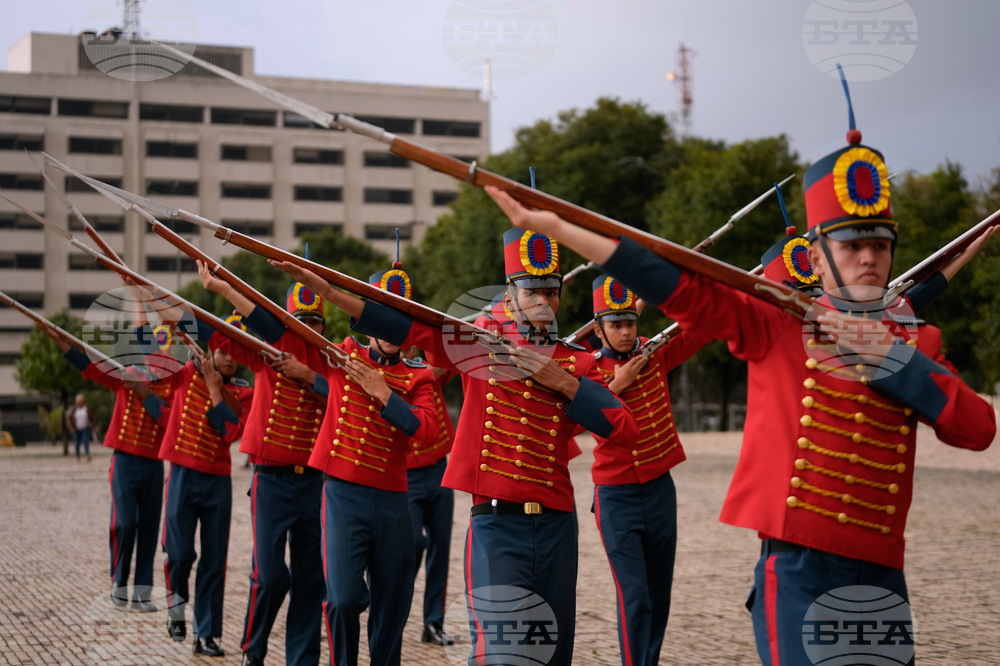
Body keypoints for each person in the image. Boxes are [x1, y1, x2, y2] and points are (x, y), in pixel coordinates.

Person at [484, 112, 997, 663]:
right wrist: (562, 229)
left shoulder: (912, 340)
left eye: (879, 242)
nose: (868, 256)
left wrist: (888, 356)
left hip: (882, 574)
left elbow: (977, 429)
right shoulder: (776, 323)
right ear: (819, 255)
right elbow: (678, 283)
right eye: (851, 244)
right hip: (800, 570)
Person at [271, 228, 640, 666]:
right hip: (498, 525)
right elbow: (411, 326)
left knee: (551, 655)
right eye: (532, 291)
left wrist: (561, 382)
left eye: (551, 292)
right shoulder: (480, 347)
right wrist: (331, 293)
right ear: (510, 294)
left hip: (557, 524)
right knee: (503, 654)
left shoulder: (574, 360)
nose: (544, 302)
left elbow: (623, 428)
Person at [196, 261, 328, 666]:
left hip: (317, 484)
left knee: (311, 580)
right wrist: (219, 290)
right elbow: (234, 323)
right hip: (272, 480)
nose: (309, 328)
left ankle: (301, 659)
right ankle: (253, 650)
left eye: (316, 321)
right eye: (300, 321)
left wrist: (308, 375)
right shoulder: (267, 354)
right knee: (270, 576)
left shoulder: (330, 361)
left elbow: (343, 396)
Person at [586, 275, 707, 666]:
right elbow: (580, 417)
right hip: (615, 495)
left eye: (630, 323)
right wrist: (616, 385)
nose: (625, 332)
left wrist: (670, 289)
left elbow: (701, 327)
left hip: (659, 489)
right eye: (616, 325)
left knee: (658, 594)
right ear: (598, 327)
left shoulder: (654, 353)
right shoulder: (586, 370)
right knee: (634, 595)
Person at [140, 305, 254, 657]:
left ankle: (207, 634)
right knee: (180, 554)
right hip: (182, 475)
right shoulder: (187, 370)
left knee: (214, 560)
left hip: (217, 481)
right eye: (223, 350)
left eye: (235, 352)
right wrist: (139, 299)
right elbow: (151, 356)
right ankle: (177, 609)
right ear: (210, 349)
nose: (230, 358)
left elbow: (231, 433)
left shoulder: (243, 391)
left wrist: (216, 390)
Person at [46, 325, 173, 610]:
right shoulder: (127, 374)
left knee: (149, 529)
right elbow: (92, 369)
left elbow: (166, 420)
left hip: (154, 464)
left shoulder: (172, 386)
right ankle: (119, 580)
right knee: (124, 523)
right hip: (125, 461)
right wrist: (64, 344)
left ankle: (141, 592)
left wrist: (145, 393)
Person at [403, 351, 456, 647]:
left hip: (437, 467)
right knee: (411, 543)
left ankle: (433, 622)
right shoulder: (384, 368)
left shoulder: (428, 366)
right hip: (405, 472)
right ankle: (395, 607)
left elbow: (448, 362)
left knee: (440, 545)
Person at [66, 393, 95, 462]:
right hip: (76, 429)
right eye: (78, 401)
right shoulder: (73, 409)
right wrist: (71, 428)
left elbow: (92, 418)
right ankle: (77, 456)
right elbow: (69, 419)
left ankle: (87, 455)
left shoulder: (86, 409)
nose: (79, 403)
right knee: (77, 443)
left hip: (85, 428)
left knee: (85, 441)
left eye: (80, 401)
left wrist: (93, 426)